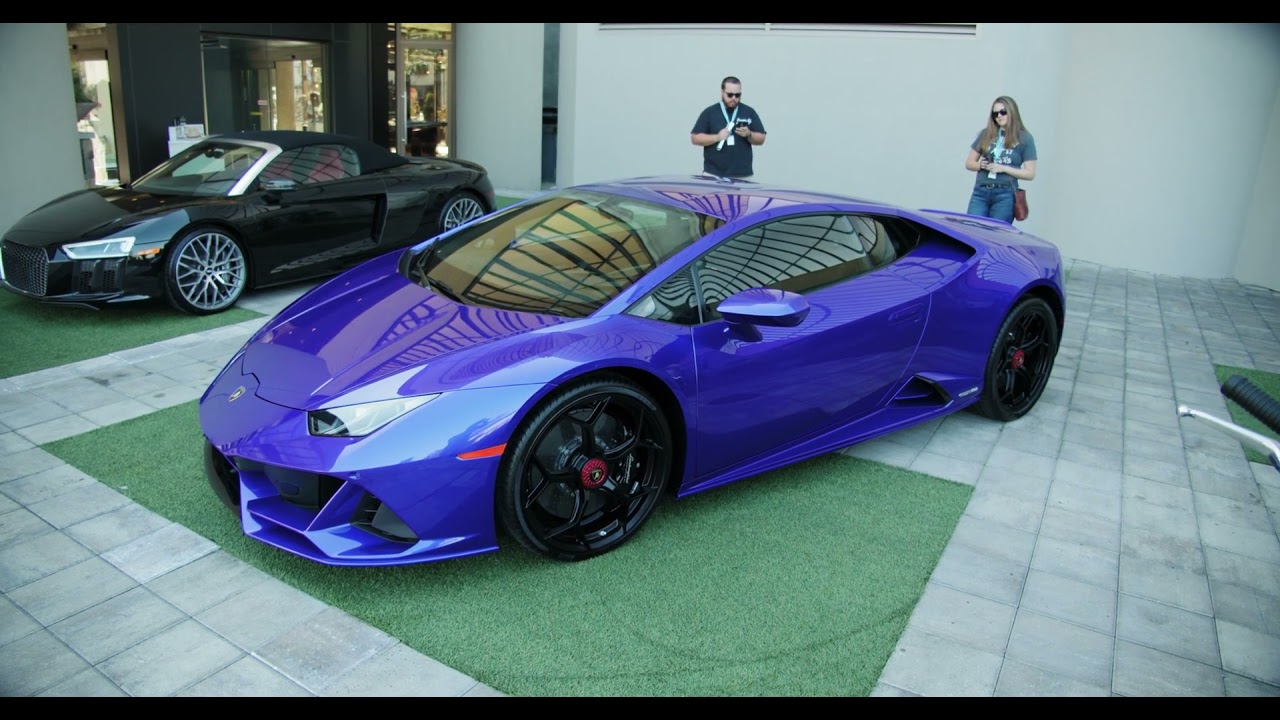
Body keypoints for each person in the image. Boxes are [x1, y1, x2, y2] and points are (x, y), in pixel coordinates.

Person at [964, 95, 1036, 222]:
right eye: (995, 114)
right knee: (972, 229)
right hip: (981, 191)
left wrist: (1003, 168)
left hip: (1005, 194)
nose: (999, 116)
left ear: (1012, 112)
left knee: (995, 235)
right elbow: (969, 163)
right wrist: (981, 165)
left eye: (1003, 112)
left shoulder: (1025, 138)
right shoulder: (986, 134)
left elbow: (1030, 173)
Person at [690, 76, 767, 180]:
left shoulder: (749, 112)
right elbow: (695, 138)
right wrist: (717, 137)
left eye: (737, 95)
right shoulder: (710, 112)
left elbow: (761, 138)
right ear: (722, 92)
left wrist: (749, 134)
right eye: (730, 95)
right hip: (713, 174)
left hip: (743, 176)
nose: (734, 98)